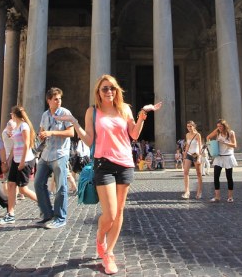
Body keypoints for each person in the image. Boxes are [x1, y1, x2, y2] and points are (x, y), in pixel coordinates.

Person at [55, 74, 162, 275]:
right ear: (98, 92)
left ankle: (109, 252)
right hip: (103, 164)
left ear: (117, 90)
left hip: (125, 164)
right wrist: (73, 122)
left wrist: (141, 115)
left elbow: (134, 135)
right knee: (110, 213)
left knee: (119, 212)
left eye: (112, 88)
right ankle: (100, 237)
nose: (109, 92)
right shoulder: (92, 112)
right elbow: (88, 140)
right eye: (105, 88)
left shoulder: (124, 110)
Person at [36, 87, 75, 229]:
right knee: (38, 184)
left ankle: (60, 217)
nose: (59, 101)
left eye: (60, 99)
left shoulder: (65, 113)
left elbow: (71, 132)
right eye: (55, 99)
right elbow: (41, 131)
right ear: (49, 101)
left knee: (61, 187)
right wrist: (41, 136)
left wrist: (52, 132)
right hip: (46, 154)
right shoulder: (45, 115)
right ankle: (47, 214)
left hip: (59, 154)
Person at [0, 106, 38, 225]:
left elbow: (26, 144)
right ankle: (10, 214)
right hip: (16, 159)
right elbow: (15, 146)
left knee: (23, 189)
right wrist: (9, 161)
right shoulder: (16, 127)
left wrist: (23, 162)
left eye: (11, 114)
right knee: (10, 185)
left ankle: (44, 206)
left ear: (14, 115)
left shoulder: (24, 126)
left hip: (25, 160)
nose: (11, 116)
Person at [206, 119, 238, 203]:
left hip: (228, 156)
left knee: (229, 177)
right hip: (219, 156)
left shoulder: (231, 133)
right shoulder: (218, 132)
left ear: (224, 126)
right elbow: (208, 137)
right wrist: (211, 146)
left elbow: (234, 145)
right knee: (216, 177)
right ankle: (217, 196)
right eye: (217, 126)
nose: (219, 128)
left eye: (220, 126)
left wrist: (224, 142)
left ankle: (230, 197)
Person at [182, 121, 204, 199]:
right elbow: (187, 145)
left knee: (198, 173)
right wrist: (184, 155)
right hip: (189, 154)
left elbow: (200, 146)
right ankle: (187, 191)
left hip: (196, 154)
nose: (189, 128)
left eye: (190, 126)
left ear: (194, 126)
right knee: (185, 172)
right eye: (188, 126)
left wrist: (199, 157)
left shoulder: (198, 135)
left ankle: (199, 191)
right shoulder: (187, 135)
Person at [0, 119, 16, 196]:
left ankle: (14, 194)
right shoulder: (5, 133)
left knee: (14, 176)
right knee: (6, 176)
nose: (11, 130)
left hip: (14, 156)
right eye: (10, 128)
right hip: (8, 155)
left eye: (12, 128)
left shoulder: (6, 132)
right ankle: (7, 194)